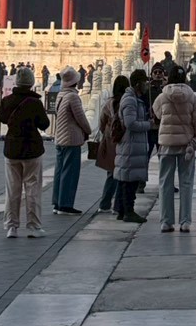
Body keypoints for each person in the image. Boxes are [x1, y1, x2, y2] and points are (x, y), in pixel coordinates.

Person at [153, 64, 196, 232]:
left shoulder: (162, 96)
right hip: (186, 145)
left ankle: (166, 221)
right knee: (186, 183)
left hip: (166, 144)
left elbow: (157, 114)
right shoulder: (192, 97)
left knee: (165, 183)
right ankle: (185, 222)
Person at [0, 66, 50, 237]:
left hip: (12, 148)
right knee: (32, 188)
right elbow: (44, 124)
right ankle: (33, 226)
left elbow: (2, 118)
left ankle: (11, 226)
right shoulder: (35, 102)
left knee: (12, 190)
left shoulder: (7, 100)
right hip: (32, 149)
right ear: (31, 83)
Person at [51, 67, 91, 214]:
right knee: (70, 173)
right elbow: (81, 117)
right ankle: (65, 204)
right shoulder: (73, 97)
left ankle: (57, 203)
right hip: (71, 139)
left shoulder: (60, 95)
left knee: (59, 171)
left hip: (60, 138)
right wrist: (88, 130)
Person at [114, 68, 151, 222]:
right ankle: (128, 211)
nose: (147, 85)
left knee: (128, 179)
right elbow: (130, 123)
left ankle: (123, 210)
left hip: (134, 145)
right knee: (129, 181)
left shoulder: (135, 99)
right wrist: (148, 124)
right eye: (144, 82)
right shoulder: (130, 100)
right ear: (137, 84)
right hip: (130, 145)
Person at [96, 74, 130, 211]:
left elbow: (101, 124)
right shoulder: (128, 102)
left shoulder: (108, 104)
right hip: (123, 141)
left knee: (111, 173)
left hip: (110, 141)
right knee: (120, 174)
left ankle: (105, 204)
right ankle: (116, 206)